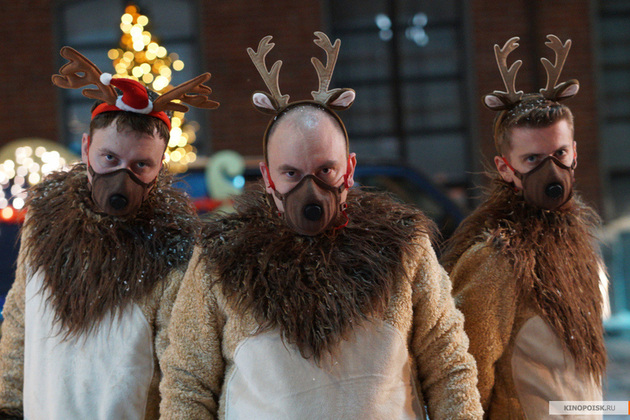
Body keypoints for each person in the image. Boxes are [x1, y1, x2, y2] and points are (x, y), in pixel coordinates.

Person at [159, 32, 483, 419]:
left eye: (325, 170)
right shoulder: (219, 261)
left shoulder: (403, 250)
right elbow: (188, 383)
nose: (309, 189)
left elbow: (449, 368)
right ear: (268, 177)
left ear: (349, 169)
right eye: (291, 173)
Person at [0, 47, 218, 419]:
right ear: (87, 149)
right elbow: (20, 322)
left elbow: (181, 371)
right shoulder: (43, 224)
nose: (122, 177)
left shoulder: (174, 253)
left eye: (141, 165)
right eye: (110, 158)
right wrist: (7, 407)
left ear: (159, 166)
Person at [442, 35, 606, 419]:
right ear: (506, 168)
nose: (551, 170)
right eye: (532, 158)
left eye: (559, 153)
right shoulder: (496, 258)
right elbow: (465, 377)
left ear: (574, 153)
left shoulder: (577, 246)